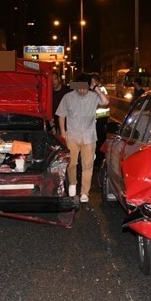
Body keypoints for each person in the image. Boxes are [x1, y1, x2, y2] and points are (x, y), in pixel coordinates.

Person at [55, 72, 109, 203]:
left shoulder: (93, 96)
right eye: (79, 87)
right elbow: (61, 115)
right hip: (72, 135)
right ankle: (73, 183)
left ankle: (85, 192)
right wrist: (63, 132)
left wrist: (95, 87)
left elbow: (106, 101)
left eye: (85, 87)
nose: (82, 90)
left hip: (89, 136)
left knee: (88, 165)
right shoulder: (68, 97)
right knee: (71, 163)